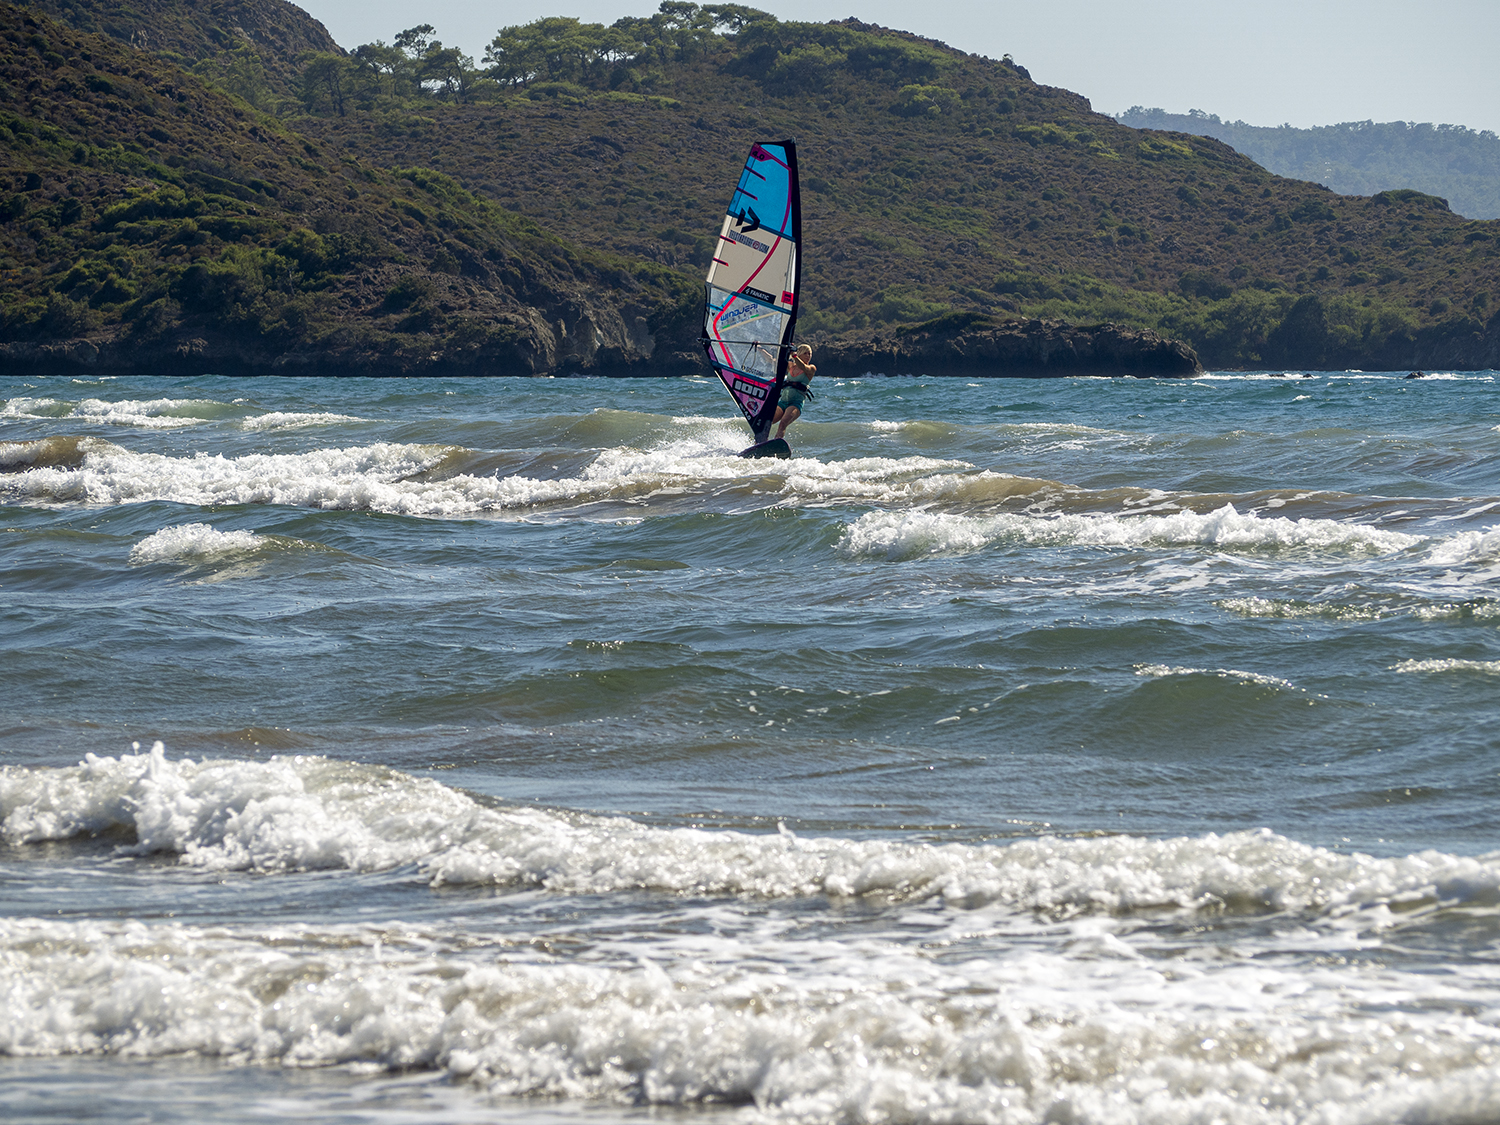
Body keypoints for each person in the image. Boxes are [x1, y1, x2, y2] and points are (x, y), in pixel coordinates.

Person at [772, 343, 815, 440]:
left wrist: (793, 355)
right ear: (800, 354)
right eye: (805, 353)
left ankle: (776, 442)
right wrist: (760, 349)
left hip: (795, 403)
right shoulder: (790, 366)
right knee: (767, 421)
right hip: (783, 401)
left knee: (783, 423)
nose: (808, 356)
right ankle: (759, 442)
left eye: (810, 354)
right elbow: (773, 361)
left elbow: (803, 367)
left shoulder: (811, 368)